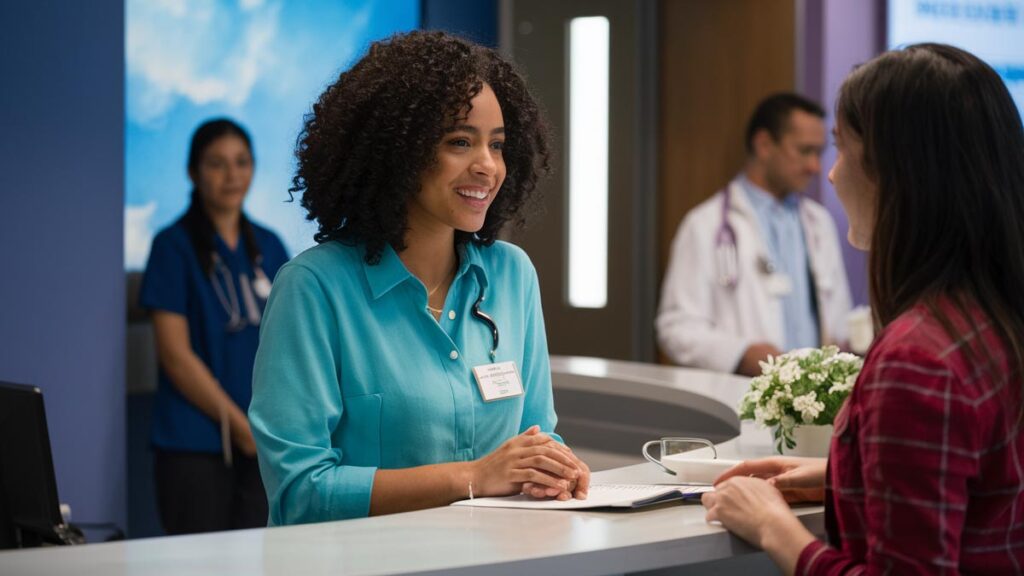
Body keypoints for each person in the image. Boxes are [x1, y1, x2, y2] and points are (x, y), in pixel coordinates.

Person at [701, 43, 1024, 574]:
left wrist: (772, 528)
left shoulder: (919, 360)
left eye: (840, 150)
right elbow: (983, 489)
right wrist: (843, 473)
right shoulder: (990, 319)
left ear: (899, 172)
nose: (828, 174)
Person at [248, 31, 590, 525]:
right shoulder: (313, 289)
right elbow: (300, 492)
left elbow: (538, 436)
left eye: (497, 145)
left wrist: (555, 466)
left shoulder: (513, 276)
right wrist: (472, 477)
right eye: (460, 142)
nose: (488, 166)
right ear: (397, 150)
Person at [139, 118, 290, 534]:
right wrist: (240, 428)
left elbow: (291, 344)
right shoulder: (172, 247)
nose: (231, 175)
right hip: (195, 445)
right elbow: (175, 355)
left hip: (265, 445)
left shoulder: (271, 246)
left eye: (241, 162)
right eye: (216, 164)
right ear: (193, 172)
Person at [657, 93, 852, 376]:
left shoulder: (818, 223)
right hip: (743, 397)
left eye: (819, 153)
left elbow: (839, 319)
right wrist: (741, 353)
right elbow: (675, 327)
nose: (815, 167)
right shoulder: (705, 225)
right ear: (763, 145)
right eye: (804, 151)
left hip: (813, 400)